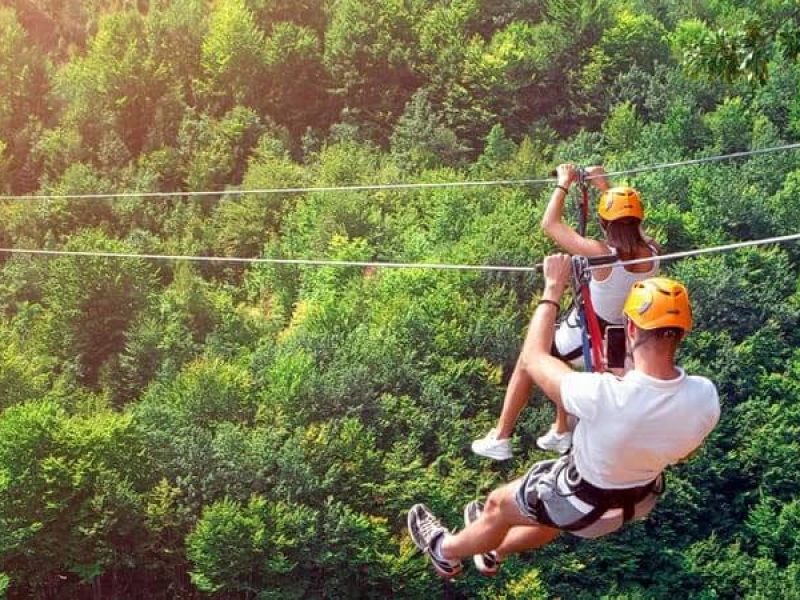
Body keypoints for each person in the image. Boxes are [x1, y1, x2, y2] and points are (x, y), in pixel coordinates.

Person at [409, 254, 720, 579]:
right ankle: (494, 550)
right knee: (548, 516)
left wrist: (553, 287)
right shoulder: (704, 397)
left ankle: (444, 551)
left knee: (497, 506)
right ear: (683, 332)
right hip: (635, 502)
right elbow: (685, 450)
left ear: (630, 327)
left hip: (582, 501)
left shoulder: (604, 395)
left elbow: (533, 358)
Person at [472, 164, 660, 459]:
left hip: (593, 332)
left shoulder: (601, 254)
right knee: (561, 360)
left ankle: (501, 436)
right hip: (622, 338)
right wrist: (604, 186)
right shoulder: (653, 250)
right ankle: (561, 430)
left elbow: (550, 224)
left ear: (603, 222)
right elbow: (629, 223)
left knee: (530, 357)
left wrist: (563, 183)